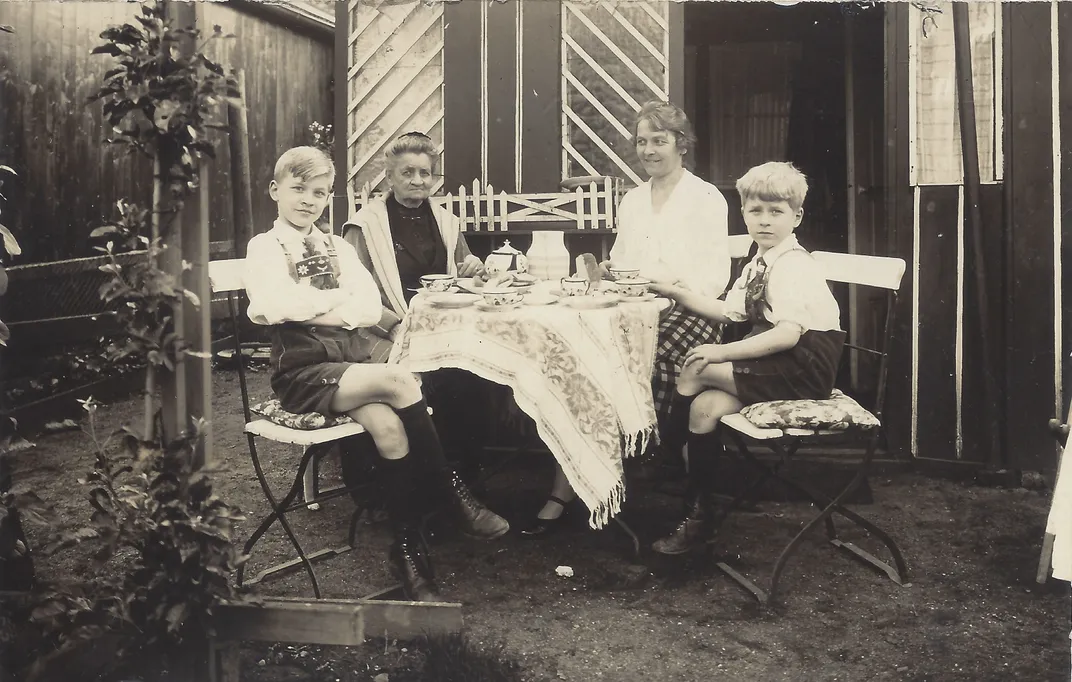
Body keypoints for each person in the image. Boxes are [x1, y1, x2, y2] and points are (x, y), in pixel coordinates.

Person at [243, 146, 509, 601]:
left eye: (320, 193)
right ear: (275, 191)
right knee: (402, 380)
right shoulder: (264, 248)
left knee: (389, 427)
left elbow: (368, 307)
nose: (309, 200)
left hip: (347, 368)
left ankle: (408, 553)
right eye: (298, 190)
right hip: (302, 374)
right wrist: (336, 306)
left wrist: (317, 309)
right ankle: (449, 491)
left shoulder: (338, 246)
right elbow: (270, 306)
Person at [523, 101, 731, 535]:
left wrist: (668, 291)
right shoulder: (633, 200)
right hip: (632, 308)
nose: (650, 150)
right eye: (642, 141)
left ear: (682, 144)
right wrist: (610, 279)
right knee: (580, 357)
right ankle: (575, 483)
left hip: (689, 311)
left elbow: (714, 278)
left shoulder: (706, 197)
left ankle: (653, 471)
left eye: (660, 140)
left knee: (630, 365)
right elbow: (620, 260)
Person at [647, 161, 845, 555]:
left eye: (777, 212)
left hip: (804, 367)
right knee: (704, 407)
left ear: (797, 216)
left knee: (697, 367)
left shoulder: (792, 265)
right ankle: (699, 516)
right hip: (780, 365)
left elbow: (788, 334)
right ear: (744, 214)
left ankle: (662, 454)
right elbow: (728, 312)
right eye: (756, 211)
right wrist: (675, 292)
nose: (765, 221)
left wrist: (721, 352)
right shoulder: (758, 261)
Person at [343, 132, 493, 476]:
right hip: (382, 332)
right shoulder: (365, 227)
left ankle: (463, 477)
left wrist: (476, 269)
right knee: (429, 380)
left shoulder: (446, 222)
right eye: (407, 172)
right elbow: (352, 294)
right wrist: (396, 327)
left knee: (473, 375)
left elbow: (468, 275)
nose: (417, 180)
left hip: (441, 331)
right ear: (389, 177)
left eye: (425, 173)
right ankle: (415, 479)